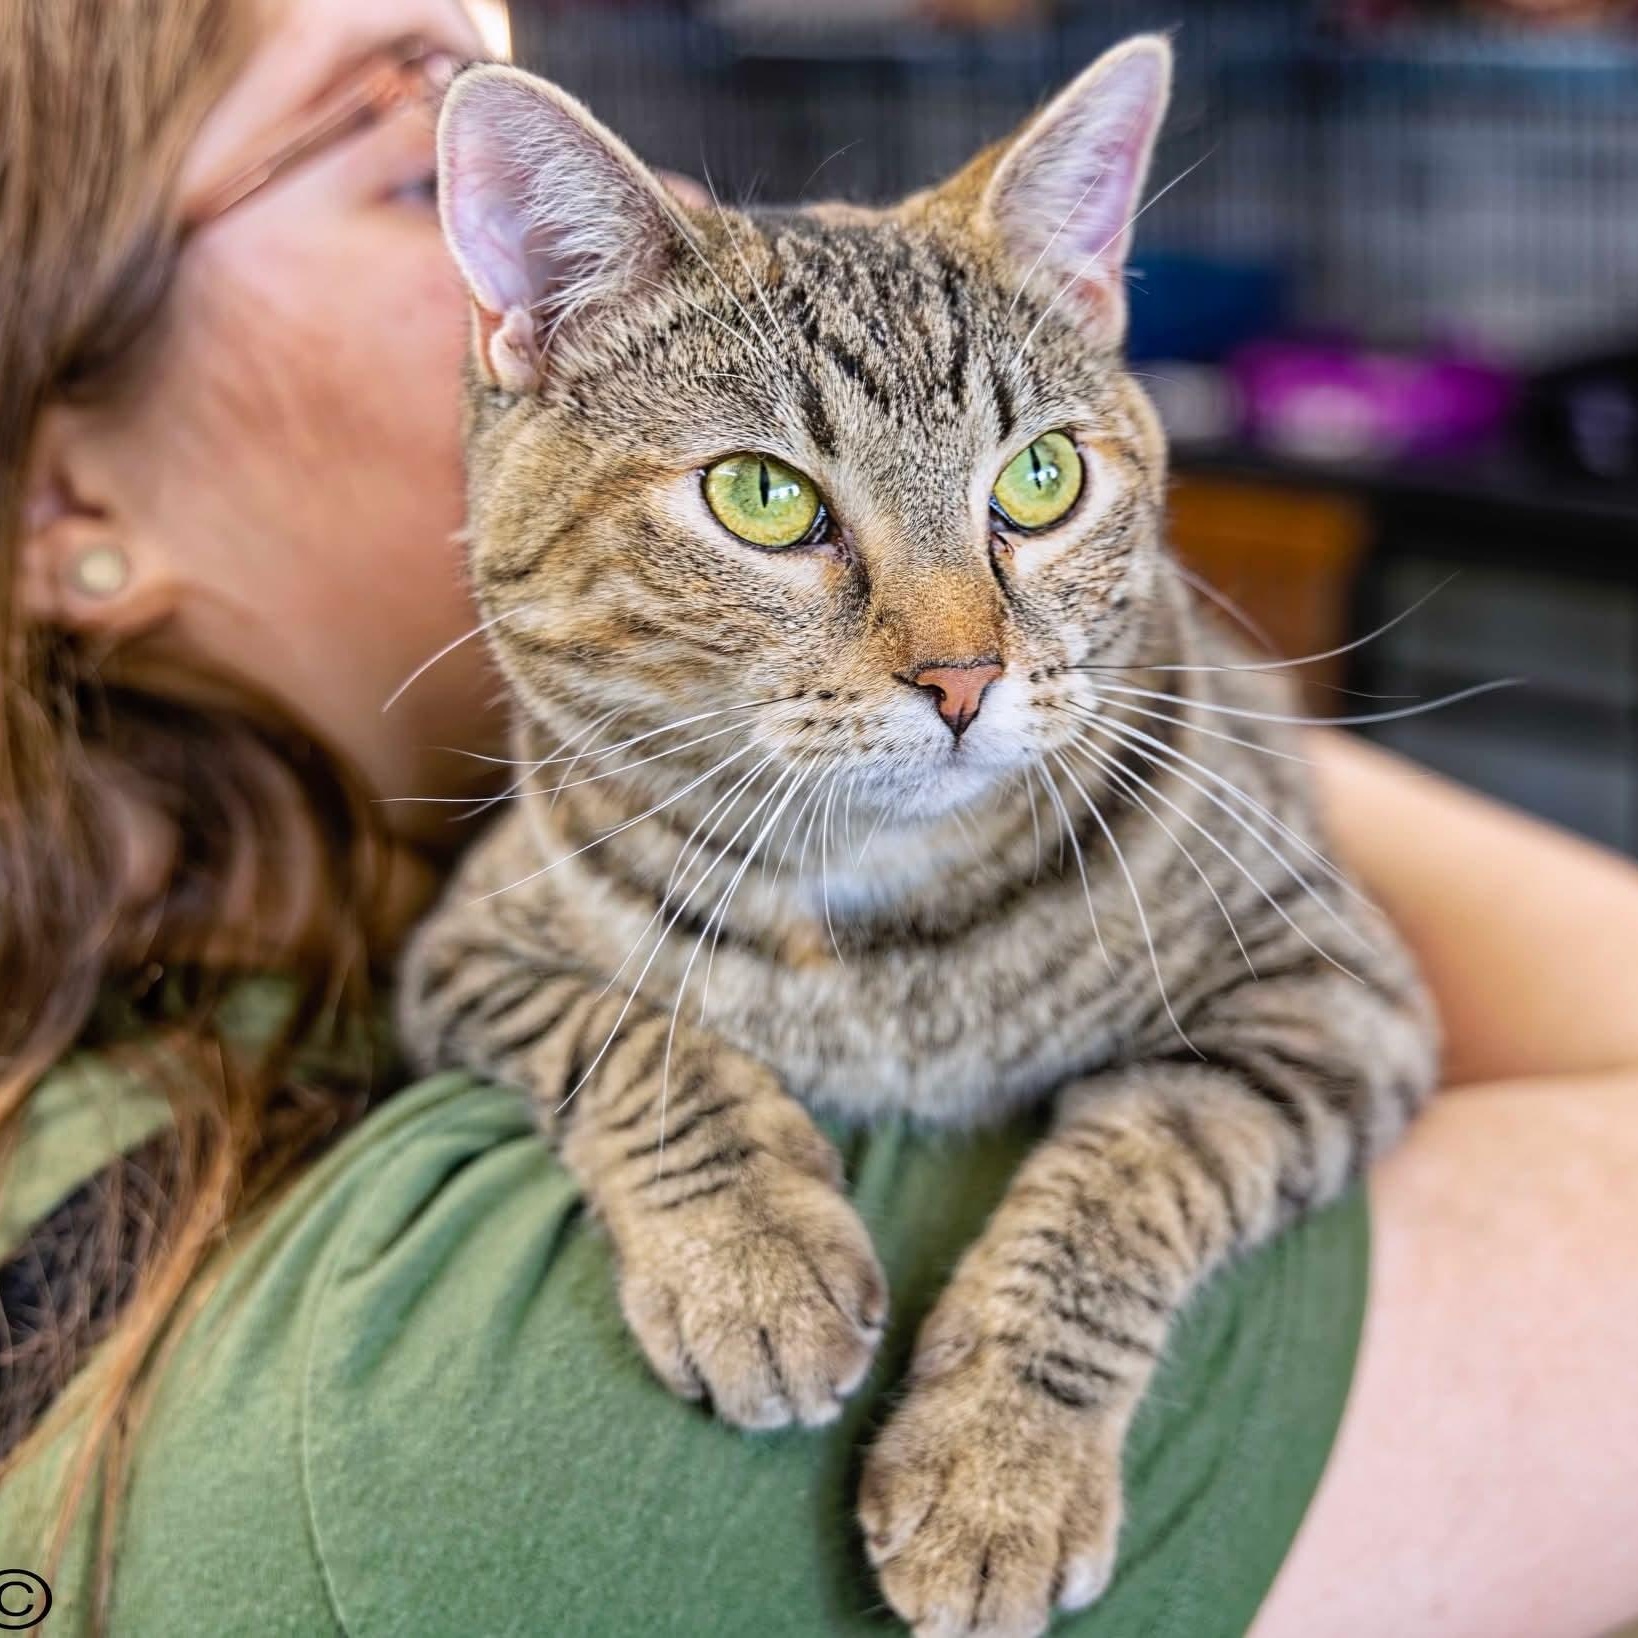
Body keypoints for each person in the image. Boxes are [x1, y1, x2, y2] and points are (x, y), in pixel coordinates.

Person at [2, 2, 1636, 1634]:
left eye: (1036, 490)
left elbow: (1324, 1016)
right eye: (410, 136)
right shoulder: (430, 1419)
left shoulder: (182, 1007)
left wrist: (1066, 1304)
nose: (955, 659)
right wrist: (677, 1126)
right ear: (55, 489)